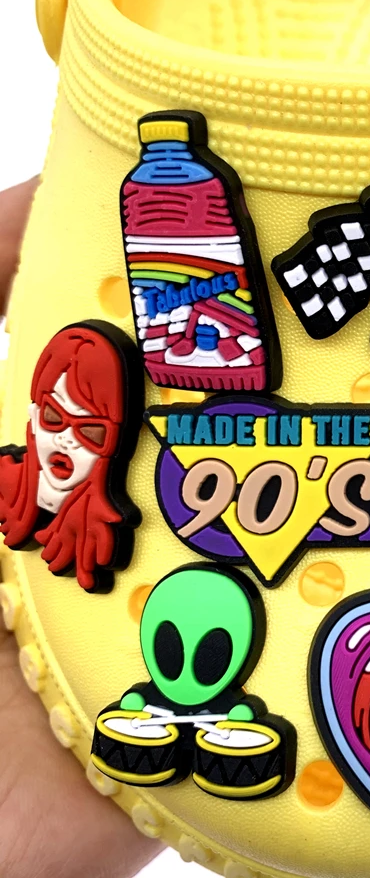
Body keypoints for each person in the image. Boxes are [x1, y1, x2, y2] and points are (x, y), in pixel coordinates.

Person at [0, 178, 161, 878]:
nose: (64, 442)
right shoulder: (15, 490)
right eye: (53, 417)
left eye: (91, 430)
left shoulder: (101, 530)